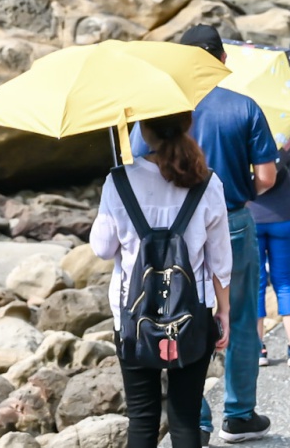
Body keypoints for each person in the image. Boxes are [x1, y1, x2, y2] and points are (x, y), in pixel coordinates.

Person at [142, 26, 276, 443]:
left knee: (181, 315)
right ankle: (238, 414)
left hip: (172, 229)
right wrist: (233, 194)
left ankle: (194, 419)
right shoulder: (245, 107)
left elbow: (141, 166)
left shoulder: (162, 110)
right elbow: (268, 176)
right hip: (232, 219)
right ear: (222, 60)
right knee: (237, 316)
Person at [91, 112, 232, 448]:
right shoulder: (207, 182)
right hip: (193, 313)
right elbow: (221, 261)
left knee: (142, 418)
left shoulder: (119, 181)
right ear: (188, 124)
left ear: (144, 128)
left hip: (131, 315)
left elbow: (101, 248)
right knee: (185, 420)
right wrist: (223, 312)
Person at [250, 146, 290, 367]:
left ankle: (258, 349)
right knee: (285, 280)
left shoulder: (245, 134)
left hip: (251, 213)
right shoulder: (282, 132)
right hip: (286, 213)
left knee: (256, 284)